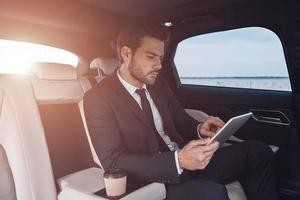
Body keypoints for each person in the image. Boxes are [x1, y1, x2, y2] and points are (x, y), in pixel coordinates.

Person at [84, 22, 279, 200]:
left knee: (258, 151)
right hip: (155, 180)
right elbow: (114, 161)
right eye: (151, 57)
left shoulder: (157, 83)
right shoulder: (98, 99)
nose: (159, 65)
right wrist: (177, 161)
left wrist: (200, 128)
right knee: (212, 194)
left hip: (189, 161)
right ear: (126, 53)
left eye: (160, 58)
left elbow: (180, 119)